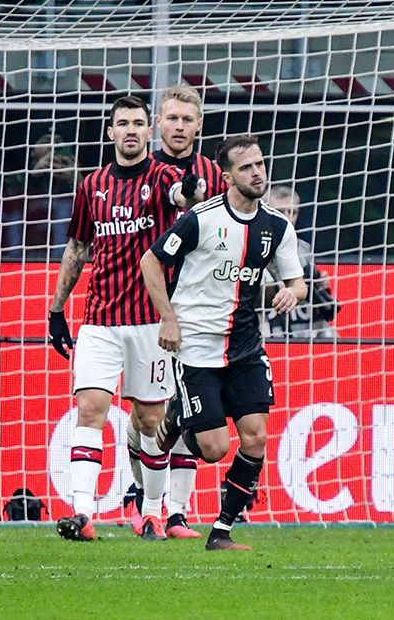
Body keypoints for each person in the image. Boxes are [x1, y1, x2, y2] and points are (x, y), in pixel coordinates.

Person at [48, 95, 204, 542]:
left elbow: (181, 194)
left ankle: (152, 511)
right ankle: (82, 513)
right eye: (124, 124)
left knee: (151, 422)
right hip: (99, 319)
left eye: (139, 123)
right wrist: (58, 309)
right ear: (110, 132)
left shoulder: (161, 177)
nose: (132, 130)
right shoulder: (91, 184)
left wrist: (190, 190)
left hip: (150, 323)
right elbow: (78, 248)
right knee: (90, 409)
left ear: (146, 131)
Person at [141, 133, 306, 551]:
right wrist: (168, 319)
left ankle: (222, 531)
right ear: (229, 176)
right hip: (195, 344)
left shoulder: (277, 226)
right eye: (247, 167)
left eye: (260, 164)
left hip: (247, 346)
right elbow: (151, 261)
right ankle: (179, 414)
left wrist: (291, 292)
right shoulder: (202, 218)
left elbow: (297, 283)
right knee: (214, 450)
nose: (257, 172)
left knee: (256, 437)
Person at [122, 84, 226, 539]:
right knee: (150, 412)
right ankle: (140, 496)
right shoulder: (141, 170)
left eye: (188, 119)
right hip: (148, 303)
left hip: (203, 304)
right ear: (157, 124)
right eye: (172, 119)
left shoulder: (213, 173)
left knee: (187, 407)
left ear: (198, 125)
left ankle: (178, 512)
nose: (179, 126)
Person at [261, 186, 340, 340]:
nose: (288, 218)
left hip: (300, 319)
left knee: (328, 328)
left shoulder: (304, 248)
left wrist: (321, 284)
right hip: (266, 322)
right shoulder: (254, 244)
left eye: (293, 212)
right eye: (281, 211)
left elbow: (313, 285)